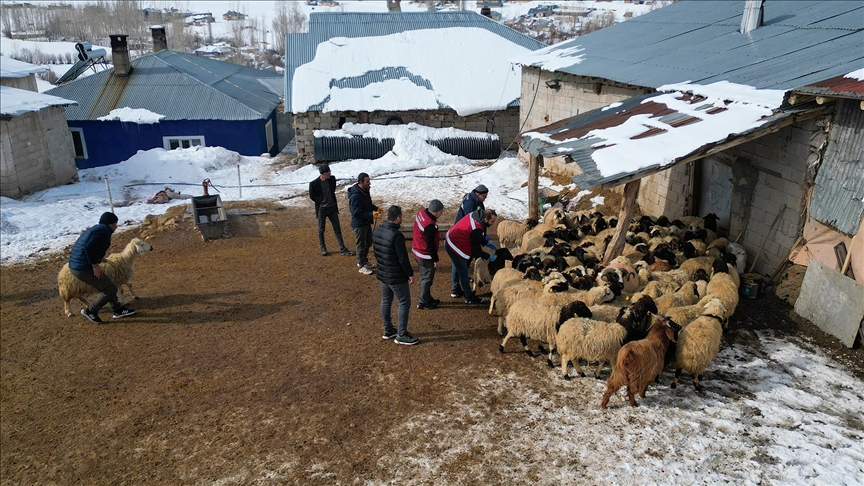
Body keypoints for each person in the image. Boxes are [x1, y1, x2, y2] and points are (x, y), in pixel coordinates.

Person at [68, 212, 137, 323]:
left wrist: (100, 258)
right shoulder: (103, 231)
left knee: (109, 284)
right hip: (82, 268)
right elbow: (88, 248)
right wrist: (95, 265)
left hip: (78, 264)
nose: (116, 226)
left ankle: (118, 310)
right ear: (110, 224)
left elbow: (91, 247)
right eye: (115, 223)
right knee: (110, 289)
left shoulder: (97, 229)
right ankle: (90, 311)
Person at [373, 205, 418, 345]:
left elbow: (376, 251)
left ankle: (388, 330)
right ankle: (401, 334)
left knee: (386, 300)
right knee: (404, 302)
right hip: (395, 276)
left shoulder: (377, 230)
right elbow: (402, 258)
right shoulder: (397, 235)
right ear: (398, 218)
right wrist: (410, 274)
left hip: (383, 273)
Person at [445, 208, 498, 305]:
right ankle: (469, 297)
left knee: (457, 266)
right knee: (463, 271)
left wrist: (485, 242)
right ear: (485, 219)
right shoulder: (477, 227)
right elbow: (476, 251)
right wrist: (488, 256)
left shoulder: (475, 215)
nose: (493, 223)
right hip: (455, 245)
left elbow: (476, 237)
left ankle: (456, 290)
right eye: (492, 221)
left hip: (451, 239)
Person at [309, 164, 354, 257]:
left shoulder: (332, 180)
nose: (330, 173)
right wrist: (321, 201)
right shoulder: (314, 184)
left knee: (337, 229)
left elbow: (332, 190)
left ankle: (342, 248)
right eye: (328, 172)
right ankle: (323, 248)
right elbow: (312, 196)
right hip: (322, 209)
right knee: (321, 229)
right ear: (323, 174)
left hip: (332, 208)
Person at [412, 199, 445, 310]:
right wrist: (435, 259)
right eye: (441, 212)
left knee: (424, 277)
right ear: (434, 212)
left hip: (416, 249)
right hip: (424, 255)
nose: (442, 214)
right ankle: (423, 302)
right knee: (427, 279)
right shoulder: (429, 225)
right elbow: (430, 244)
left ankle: (427, 297)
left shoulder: (421, 213)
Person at [348, 172, 378, 275]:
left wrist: (375, 209)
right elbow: (356, 212)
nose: (369, 183)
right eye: (367, 181)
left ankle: (364, 260)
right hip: (359, 224)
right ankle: (361, 265)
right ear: (360, 182)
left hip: (365, 222)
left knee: (368, 242)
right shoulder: (356, 195)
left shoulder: (364, 191)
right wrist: (371, 214)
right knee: (361, 245)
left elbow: (367, 204)